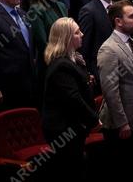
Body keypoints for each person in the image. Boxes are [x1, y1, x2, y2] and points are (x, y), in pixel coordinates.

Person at [41, 18, 99, 180]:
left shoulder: (74, 59)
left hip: (72, 127)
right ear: (66, 38)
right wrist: (94, 119)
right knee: (70, 170)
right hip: (63, 130)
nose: (82, 34)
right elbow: (73, 98)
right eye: (77, 32)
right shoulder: (61, 65)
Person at [98, 0, 133, 157]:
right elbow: (110, 91)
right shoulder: (108, 49)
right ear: (118, 21)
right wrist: (122, 123)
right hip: (121, 125)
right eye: (132, 16)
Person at [78, 0, 120, 82]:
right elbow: (84, 45)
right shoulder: (89, 11)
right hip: (100, 69)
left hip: (119, 65)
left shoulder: (118, 7)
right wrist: (88, 72)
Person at [28, 0, 68, 71]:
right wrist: (62, 59)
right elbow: (43, 44)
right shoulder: (36, 10)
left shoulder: (62, 6)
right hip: (49, 64)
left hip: (66, 60)